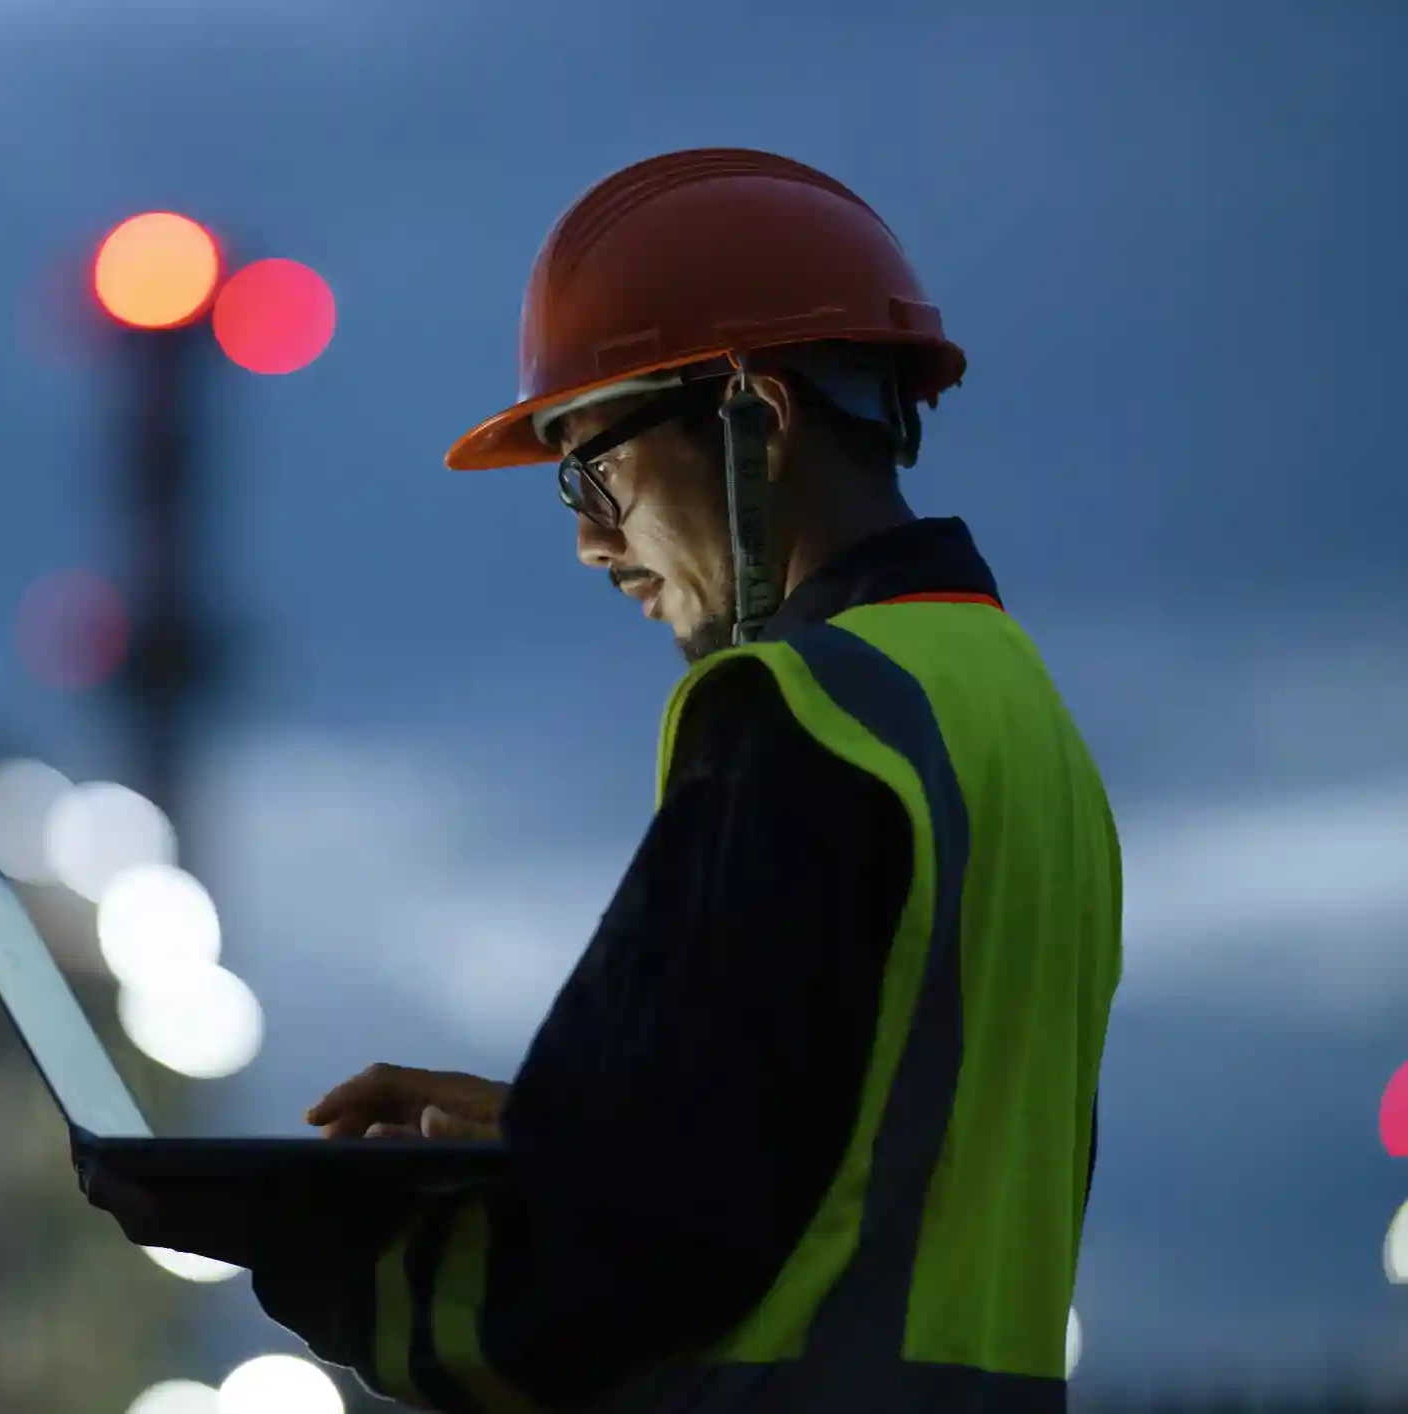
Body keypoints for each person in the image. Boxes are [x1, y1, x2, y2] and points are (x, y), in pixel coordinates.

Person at [86, 148, 1122, 1413]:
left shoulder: (801, 714)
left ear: (761, 417)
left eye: (594, 466)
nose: (589, 537)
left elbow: (624, 1260)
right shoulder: (1015, 717)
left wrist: (312, 1247)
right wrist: (561, 1131)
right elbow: (848, 1153)